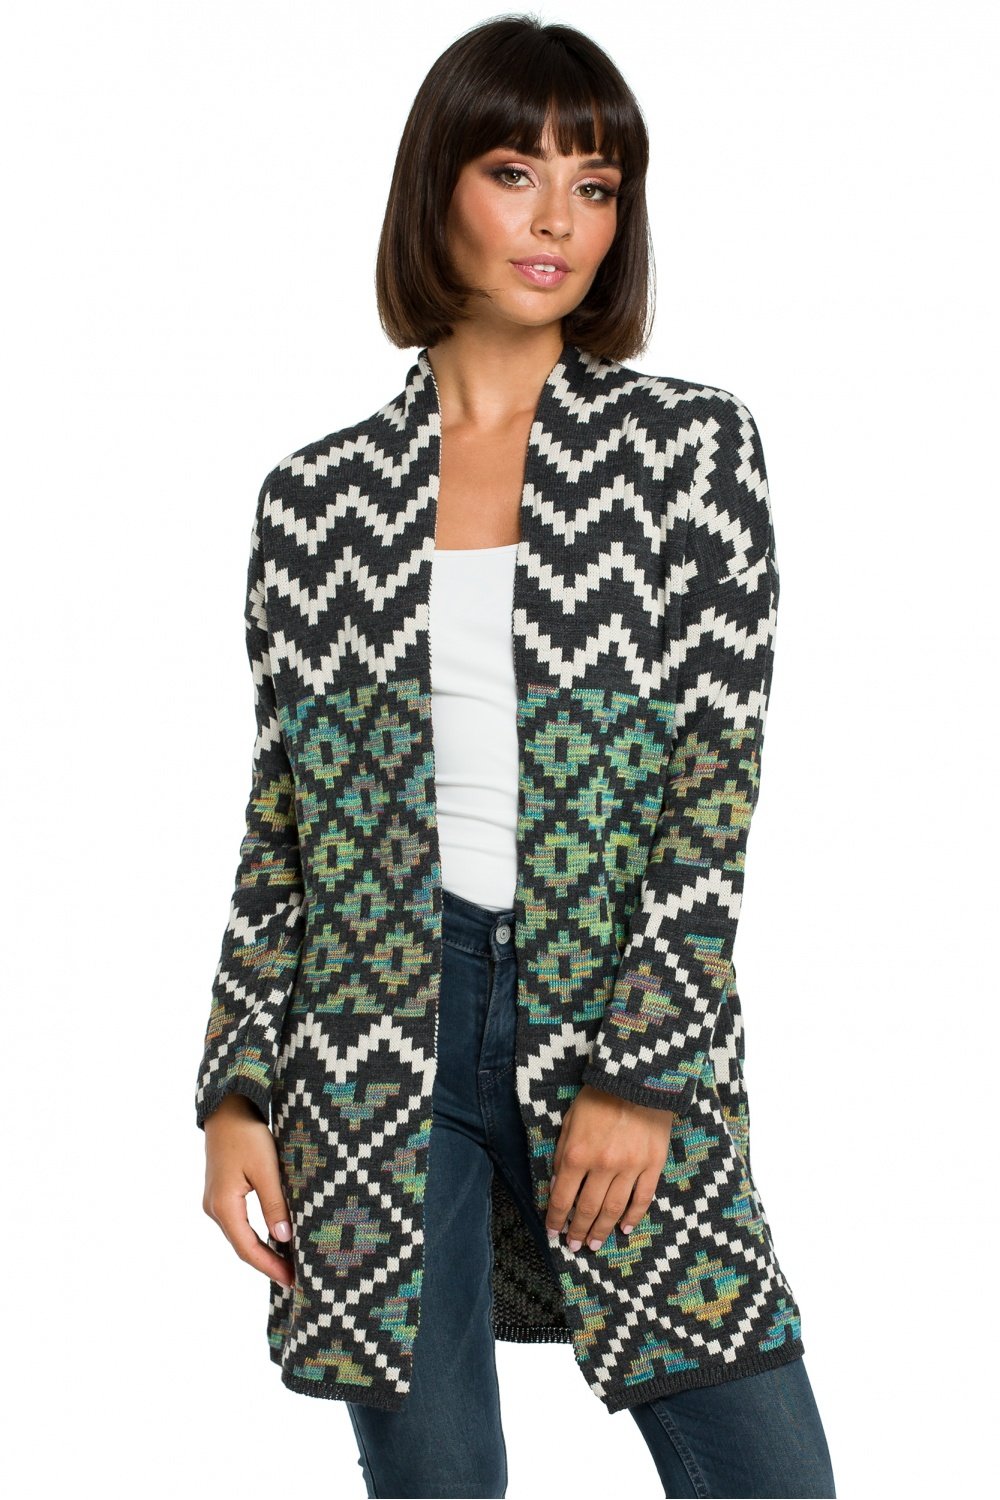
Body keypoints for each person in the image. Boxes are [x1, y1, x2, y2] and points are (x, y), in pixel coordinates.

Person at [196, 15, 836, 1499]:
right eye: (514, 172)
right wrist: (234, 1092)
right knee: (437, 1482)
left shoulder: (691, 455)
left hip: (611, 1013)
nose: (557, 220)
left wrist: (647, 1066)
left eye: (595, 186)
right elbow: (281, 826)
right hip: (366, 1044)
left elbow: (712, 789)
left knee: (768, 1472)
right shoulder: (310, 504)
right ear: (437, 187)